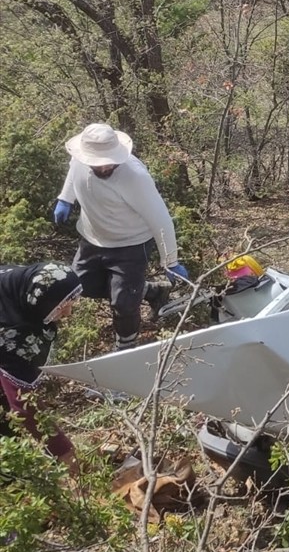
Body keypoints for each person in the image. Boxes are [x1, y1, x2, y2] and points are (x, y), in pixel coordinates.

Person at [54, 123, 188, 352]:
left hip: (130, 244)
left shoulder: (134, 176)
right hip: (92, 238)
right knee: (78, 285)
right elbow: (73, 172)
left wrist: (171, 261)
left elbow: (161, 219)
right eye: (98, 162)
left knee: (123, 303)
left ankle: (126, 347)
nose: (105, 166)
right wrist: (65, 198)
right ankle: (152, 291)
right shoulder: (80, 159)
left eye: (109, 160)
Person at [0, 262, 83, 474]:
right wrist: (64, 451)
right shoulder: (10, 337)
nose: (68, 313)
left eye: (71, 302)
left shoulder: (16, 287)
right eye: (61, 306)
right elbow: (25, 405)